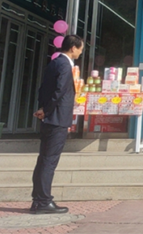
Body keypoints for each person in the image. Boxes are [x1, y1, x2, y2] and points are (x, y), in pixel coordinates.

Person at [30, 34, 84, 214]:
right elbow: (59, 91)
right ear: (73, 48)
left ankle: (38, 200)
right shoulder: (65, 65)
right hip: (57, 118)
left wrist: (42, 108)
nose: (80, 52)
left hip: (50, 118)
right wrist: (46, 110)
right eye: (80, 49)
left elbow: (44, 88)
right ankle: (44, 201)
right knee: (49, 160)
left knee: (43, 159)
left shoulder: (54, 63)